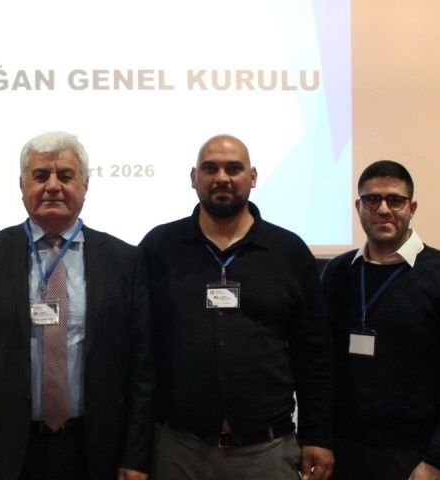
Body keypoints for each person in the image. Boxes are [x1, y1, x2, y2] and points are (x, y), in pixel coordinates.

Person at [0, 131, 153, 480]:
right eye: (40, 175)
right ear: (22, 185)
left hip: (96, 446)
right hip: (7, 445)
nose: (53, 186)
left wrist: (136, 456)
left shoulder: (123, 260)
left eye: (66, 176)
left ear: (85, 185)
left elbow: (141, 367)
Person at [138, 134, 334, 480]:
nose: (222, 178)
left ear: (253, 177)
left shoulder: (288, 252)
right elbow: (140, 351)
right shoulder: (159, 247)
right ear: (193, 177)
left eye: (233, 168)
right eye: (210, 168)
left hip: (267, 449)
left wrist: (317, 435)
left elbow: (314, 352)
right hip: (178, 447)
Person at [321, 160, 440, 480]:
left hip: (417, 456)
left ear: (412, 208)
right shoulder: (338, 272)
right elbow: (321, 363)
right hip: (345, 452)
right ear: (358, 207)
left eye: (395, 200)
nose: (384, 209)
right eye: (372, 200)